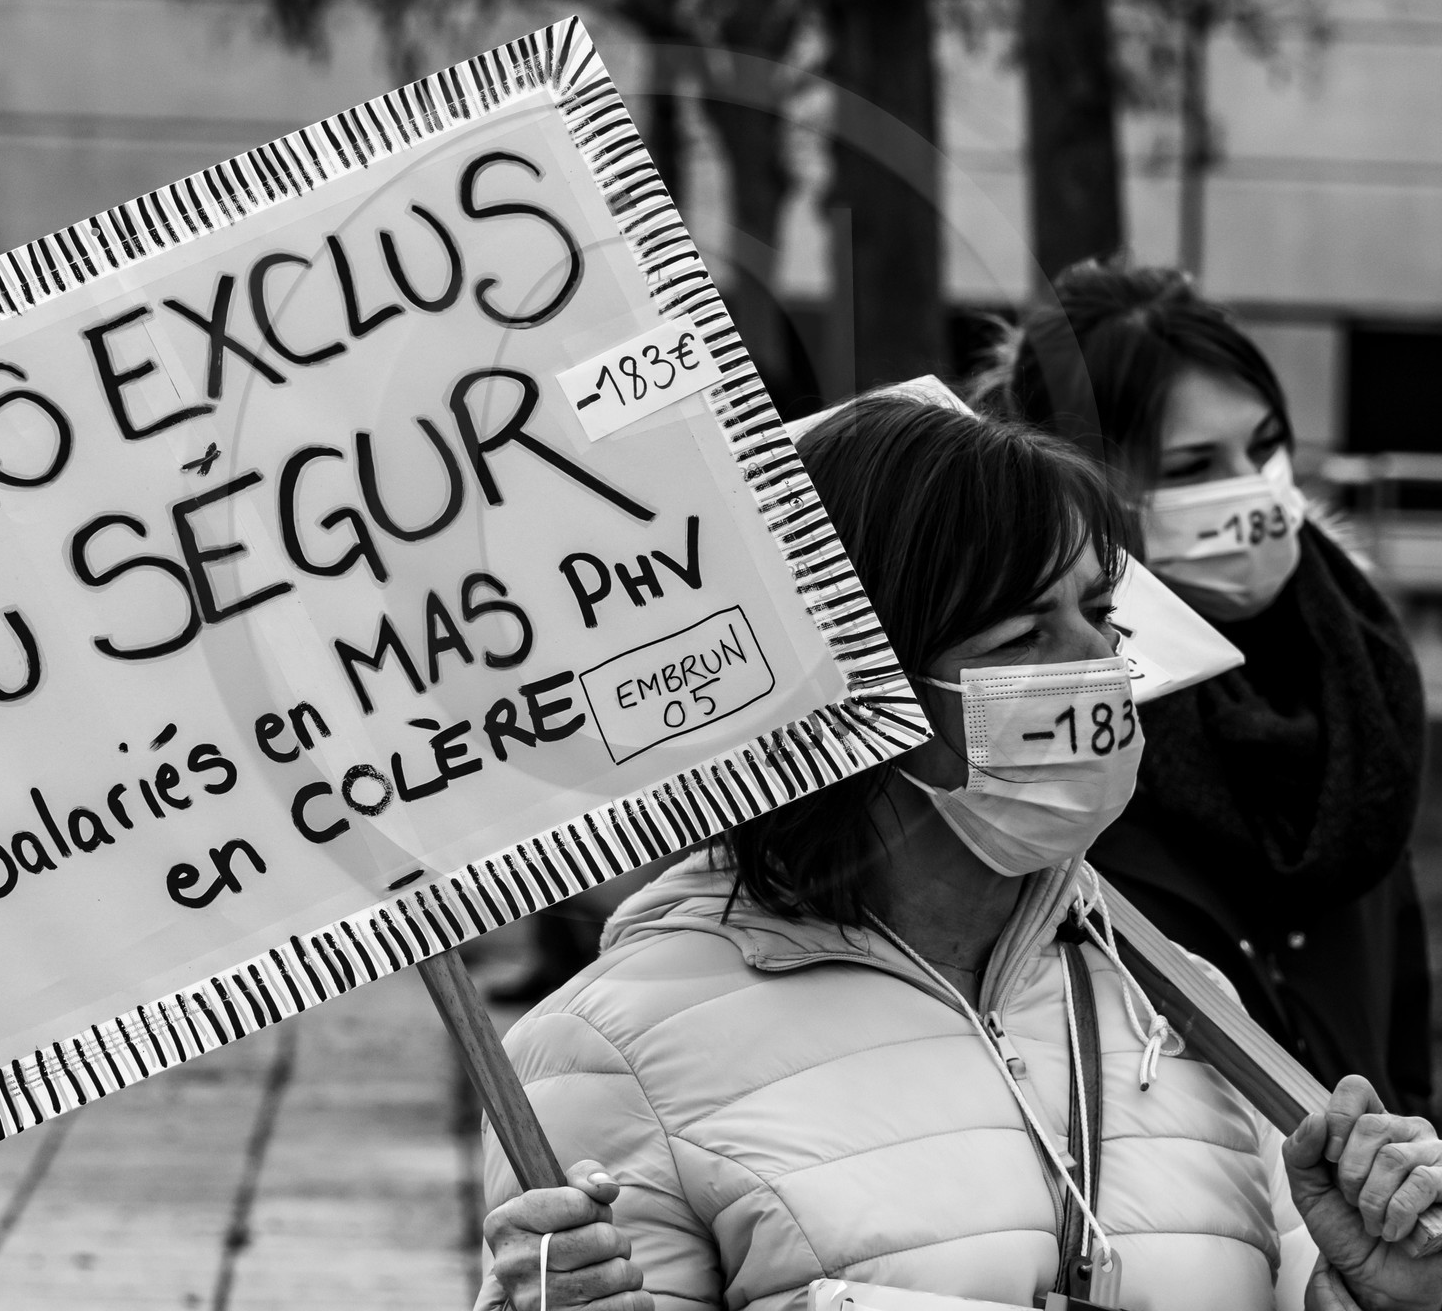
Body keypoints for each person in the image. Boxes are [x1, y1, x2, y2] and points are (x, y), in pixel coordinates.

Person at [475, 393, 1442, 1311]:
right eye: (1025, 632)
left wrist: (1372, 1293)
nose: (1094, 667)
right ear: (856, 685)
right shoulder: (611, 1053)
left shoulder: (1190, 1008)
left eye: (1100, 616)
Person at [975, 264, 1431, 1116]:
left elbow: (1404, 1025)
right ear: (1081, 483)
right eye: (1195, 466)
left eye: (1264, 448)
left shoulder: (1363, 677)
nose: (1255, 492)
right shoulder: (1035, 725)